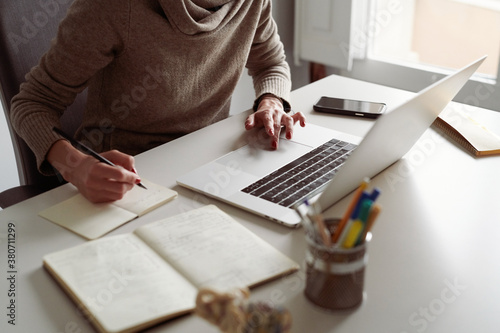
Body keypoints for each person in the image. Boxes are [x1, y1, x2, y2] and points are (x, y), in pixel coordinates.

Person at [10, 0, 306, 203]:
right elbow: (33, 102)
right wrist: (74, 165)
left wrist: (271, 102)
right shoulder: (115, 7)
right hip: (125, 180)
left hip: (209, 165)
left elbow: (271, 64)